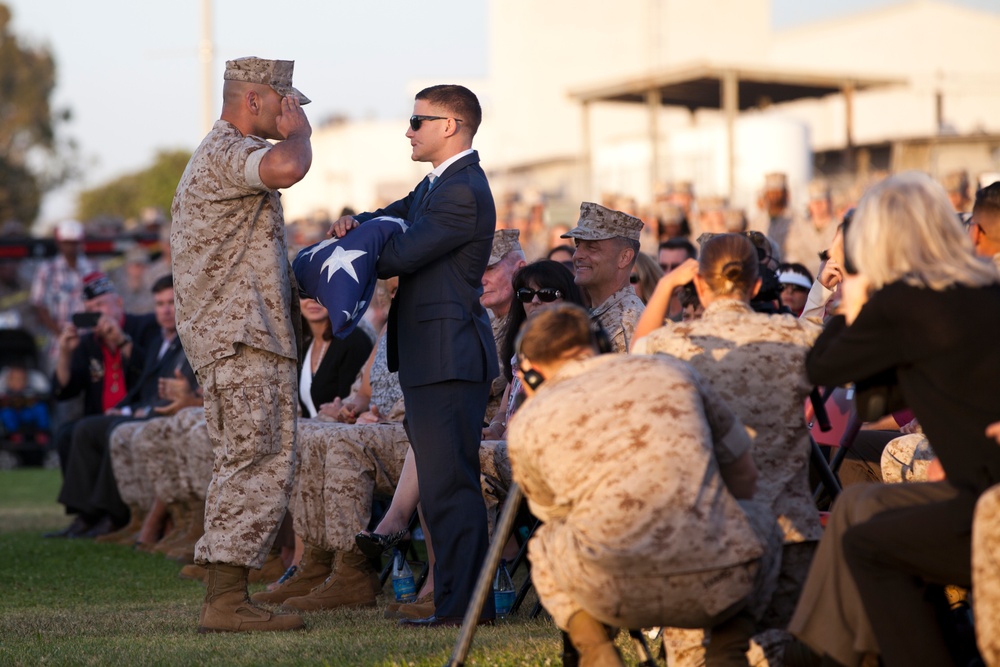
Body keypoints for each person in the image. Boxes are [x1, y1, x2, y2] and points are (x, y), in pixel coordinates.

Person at [787, 171, 1000, 667]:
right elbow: (877, 402)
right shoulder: (981, 288)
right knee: (856, 506)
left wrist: (853, 304)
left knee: (868, 547)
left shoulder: (905, 304)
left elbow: (819, 367)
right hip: (974, 487)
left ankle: (821, 655)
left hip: (984, 504)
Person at [507, 304, 781, 666]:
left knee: (545, 543)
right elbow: (744, 475)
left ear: (532, 372)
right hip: (717, 581)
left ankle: (596, 652)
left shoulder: (529, 421)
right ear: (600, 343)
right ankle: (728, 648)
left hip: (609, 590)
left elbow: (552, 511)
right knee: (761, 518)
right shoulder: (673, 371)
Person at [329, 84, 497, 627]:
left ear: (450, 125)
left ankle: (462, 610)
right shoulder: (437, 185)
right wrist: (357, 225)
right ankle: (457, 605)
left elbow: (397, 251)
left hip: (448, 358)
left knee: (450, 490)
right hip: (434, 356)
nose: (408, 129)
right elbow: (390, 217)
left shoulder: (462, 190)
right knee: (443, 488)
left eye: (417, 120)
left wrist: (361, 246)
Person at [171, 56, 312, 634]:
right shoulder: (229, 150)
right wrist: (300, 135)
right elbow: (286, 168)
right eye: (286, 102)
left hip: (242, 334)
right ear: (255, 100)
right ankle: (226, 601)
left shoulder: (225, 153)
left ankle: (225, 585)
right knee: (254, 460)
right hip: (241, 337)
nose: (293, 111)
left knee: (248, 457)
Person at [633, 234, 822, 666]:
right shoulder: (795, 336)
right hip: (790, 535)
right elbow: (834, 342)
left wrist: (663, 286)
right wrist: (825, 289)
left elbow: (633, 358)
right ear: (757, 286)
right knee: (781, 652)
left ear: (698, 285)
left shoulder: (672, 343)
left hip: (707, 537)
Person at [52, 275, 195, 539]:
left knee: (103, 429)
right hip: (128, 408)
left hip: (150, 410)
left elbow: (141, 372)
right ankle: (86, 515)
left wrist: (121, 340)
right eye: (91, 310)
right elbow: (64, 390)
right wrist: (64, 352)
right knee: (69, 432)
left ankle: (113, 515)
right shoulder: (87, 343)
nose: (97, 314)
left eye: (102, 307)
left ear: (118, 303)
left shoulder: (146, 328)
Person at [560, 202, 645, 353]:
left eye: (592, 247)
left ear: (624, 257)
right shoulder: (595, 314)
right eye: (577, 245)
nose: (577, 255)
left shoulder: (629, 322)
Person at [30, 219, 97, 371]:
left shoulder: (92, 268)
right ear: (59, 243)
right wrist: (61, 334)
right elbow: (38, 306)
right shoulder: (46, 269)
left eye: (74, 242)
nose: (71, 246)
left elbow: (101, 303)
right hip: (56, 344)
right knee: (58, 386)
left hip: (88, 342)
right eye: (67, 242)